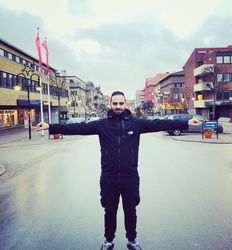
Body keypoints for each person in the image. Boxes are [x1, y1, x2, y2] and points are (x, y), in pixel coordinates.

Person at [37, 91, 200, 250]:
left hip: (130, 176)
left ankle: (132, 240)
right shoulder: (102, 125)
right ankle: (108, 240)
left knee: (131, 210)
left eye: (121, 103)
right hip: (109, 177)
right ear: (110, 104)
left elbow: (160, 123)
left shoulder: (136, 123)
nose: (118, 106)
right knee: (109, 211)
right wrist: (51, 127)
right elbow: (78, 128)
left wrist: (184, 123)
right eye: (115, 103)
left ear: (125, 104)